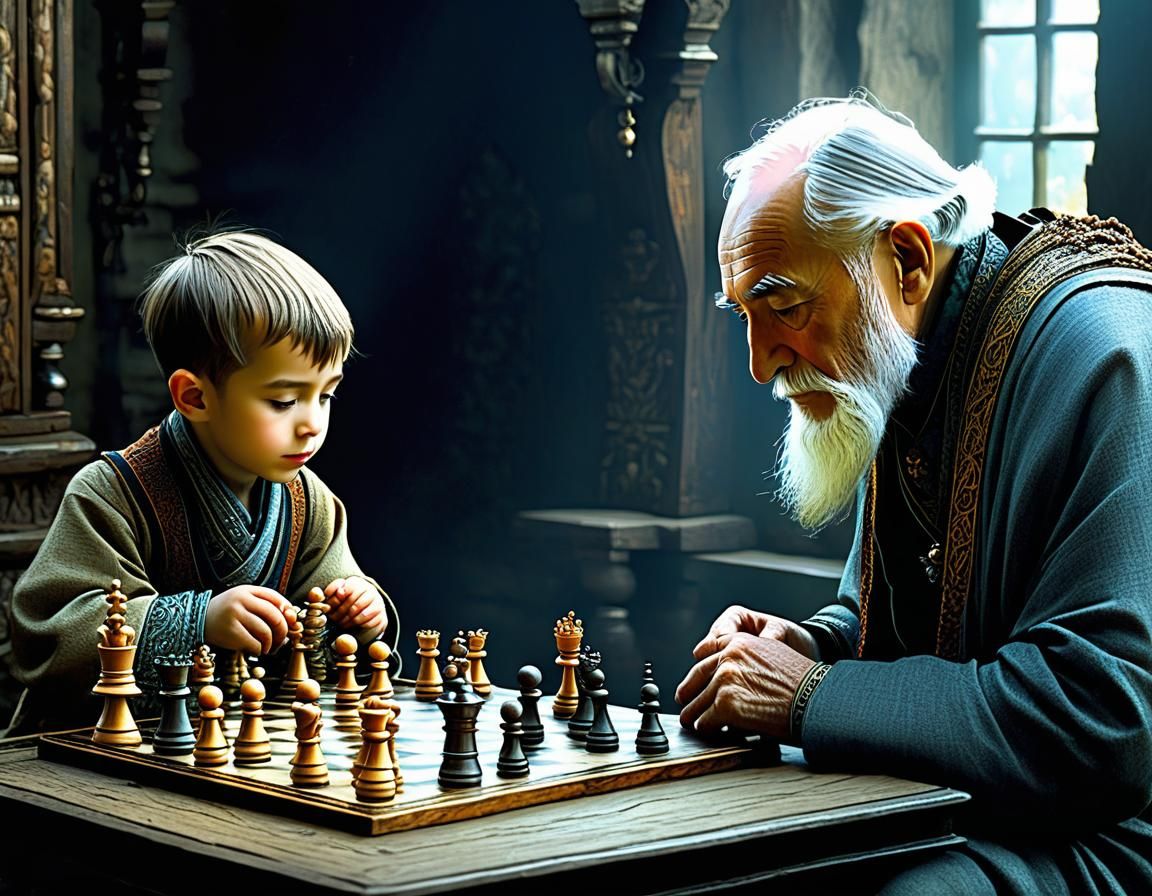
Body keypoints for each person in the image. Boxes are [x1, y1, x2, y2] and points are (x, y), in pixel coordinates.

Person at [675, 91, 1152, 894]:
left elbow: (1099, 730)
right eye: (745, 316)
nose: (760, 363)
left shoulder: (1102, 355)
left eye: (784, 305)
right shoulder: (902, 354)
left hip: (1110, 836)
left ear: (906, 258)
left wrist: (810, 697)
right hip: (971, 807)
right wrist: (812, 646)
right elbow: (895, 627)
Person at [9, 229, 400, 733]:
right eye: (283, 401)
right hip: (95, 749)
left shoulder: (309, 502)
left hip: (238, 745)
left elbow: (325, 614)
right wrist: (200, 621)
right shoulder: (111, 493)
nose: (311, 423)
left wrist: (362, 613)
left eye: (326, 396)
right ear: (194, 397)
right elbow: (51, 635)